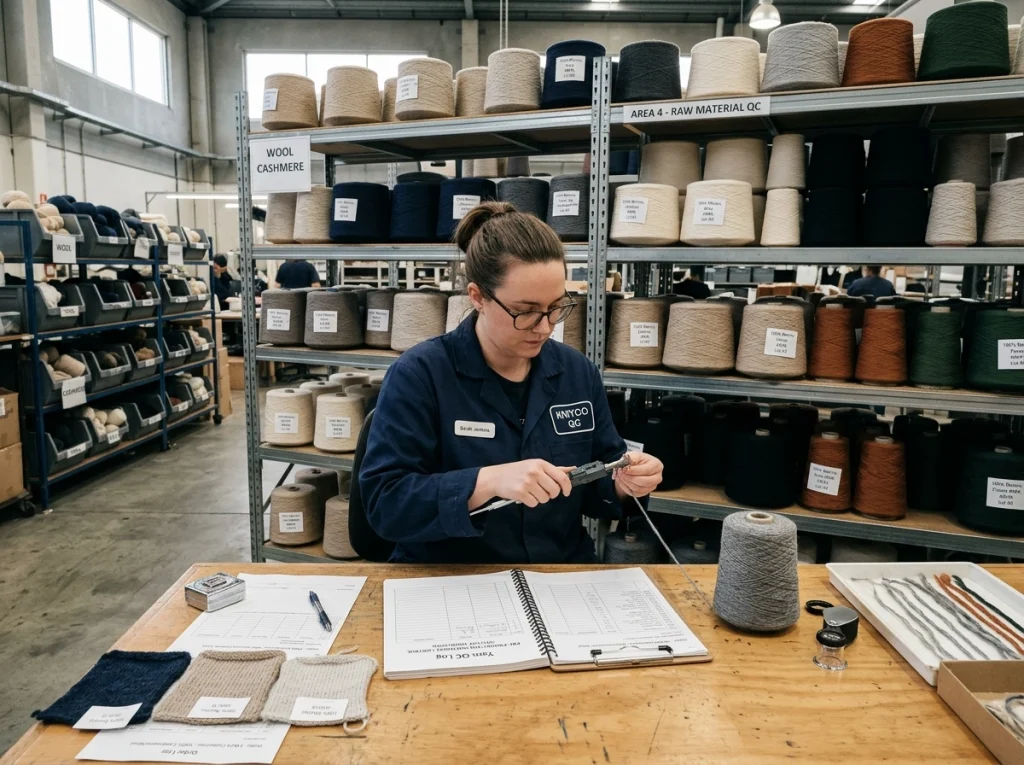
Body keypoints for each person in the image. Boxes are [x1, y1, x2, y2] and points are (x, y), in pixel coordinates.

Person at [359, 202, 665, 563]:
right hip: (451, 573)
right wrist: (486, 482)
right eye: (525, 311)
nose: (546, 327)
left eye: (556, 306)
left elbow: (600, 476)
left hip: (556, 569)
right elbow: (387, 504)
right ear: (478, 298)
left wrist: (626, 484)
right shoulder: (420, 375)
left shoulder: (576, 372)